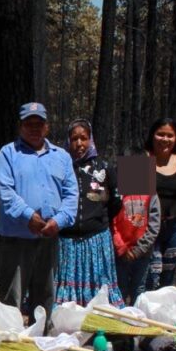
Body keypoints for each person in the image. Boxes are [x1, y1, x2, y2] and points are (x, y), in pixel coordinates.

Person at [0, 101, 78, 317]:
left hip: (50, 237)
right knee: (12, 298)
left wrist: (59, 220)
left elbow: (71, 195)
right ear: (20, 127)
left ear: (46, 126)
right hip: (16, 238)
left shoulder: (62, 156)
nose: (34, 128)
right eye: (29, 124)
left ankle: (42, 340)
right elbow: (5, 192)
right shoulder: (7, 154)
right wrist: (29, 216)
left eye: (39, 123)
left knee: (46, 296)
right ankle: (11, 343)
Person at [56, 119, 123, 307]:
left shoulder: (104, 167)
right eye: (74, 138)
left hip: (96, 241)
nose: (79, 144)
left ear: (91, 140)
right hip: (65, 242)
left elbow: (116, 203)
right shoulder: (60, 167)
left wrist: (97, 221)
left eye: (83, 138)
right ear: (67, 142)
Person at [145, 117, 176, 290]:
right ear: (152, 135)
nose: (165, 139)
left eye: (170, 135)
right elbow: (130, 203)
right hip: (148, 229)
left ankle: (162, 312)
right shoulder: (139, 158)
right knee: (151, 274)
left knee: (168, 276)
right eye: (160, 134)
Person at [112, 150, 161, 305]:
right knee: (120, 288)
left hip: (142, 254)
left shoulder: (151, 194)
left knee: (139, 289)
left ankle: (136, 319)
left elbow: (154, 225)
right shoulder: (117, 193)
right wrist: (121, 248)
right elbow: (111, 221)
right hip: (121, 253)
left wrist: (138, 250)